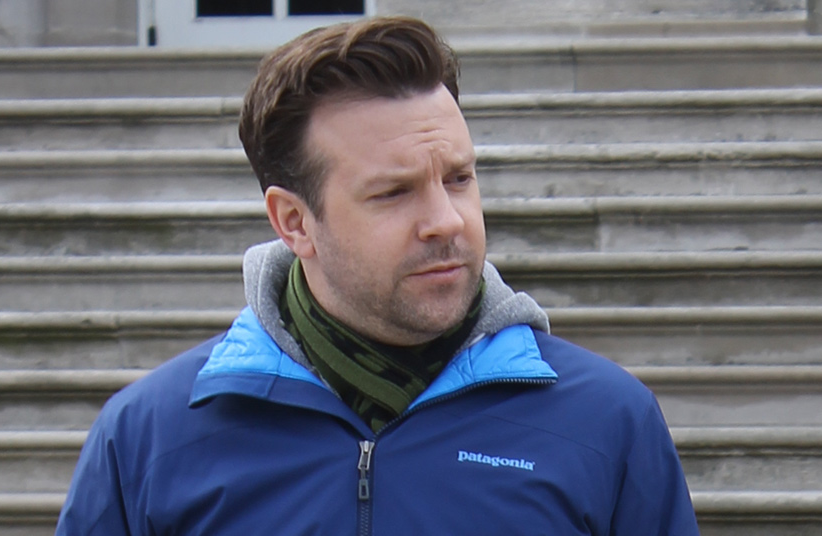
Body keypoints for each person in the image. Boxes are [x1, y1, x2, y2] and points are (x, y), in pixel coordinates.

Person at [55, 16, 700, 535]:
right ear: (294, 222)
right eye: (393, 193)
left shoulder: (607, 421)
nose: (446, 221)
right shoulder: (148, 439)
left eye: (459, 178)